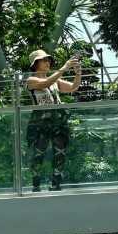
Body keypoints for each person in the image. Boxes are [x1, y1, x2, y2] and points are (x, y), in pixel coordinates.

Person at [25, 50, 79, 192]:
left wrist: (78, 72)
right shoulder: (31, 81)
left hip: (58, 121)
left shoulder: (55, 81)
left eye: (48, 60)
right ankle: (36, 183)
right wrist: (64, 67)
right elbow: (46, 83)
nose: (48, 62)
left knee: (60, 152)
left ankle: (56, 183)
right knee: (38, 153)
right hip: (40, 122)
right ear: (35, 64)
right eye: (44, 60)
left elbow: (74, 87)